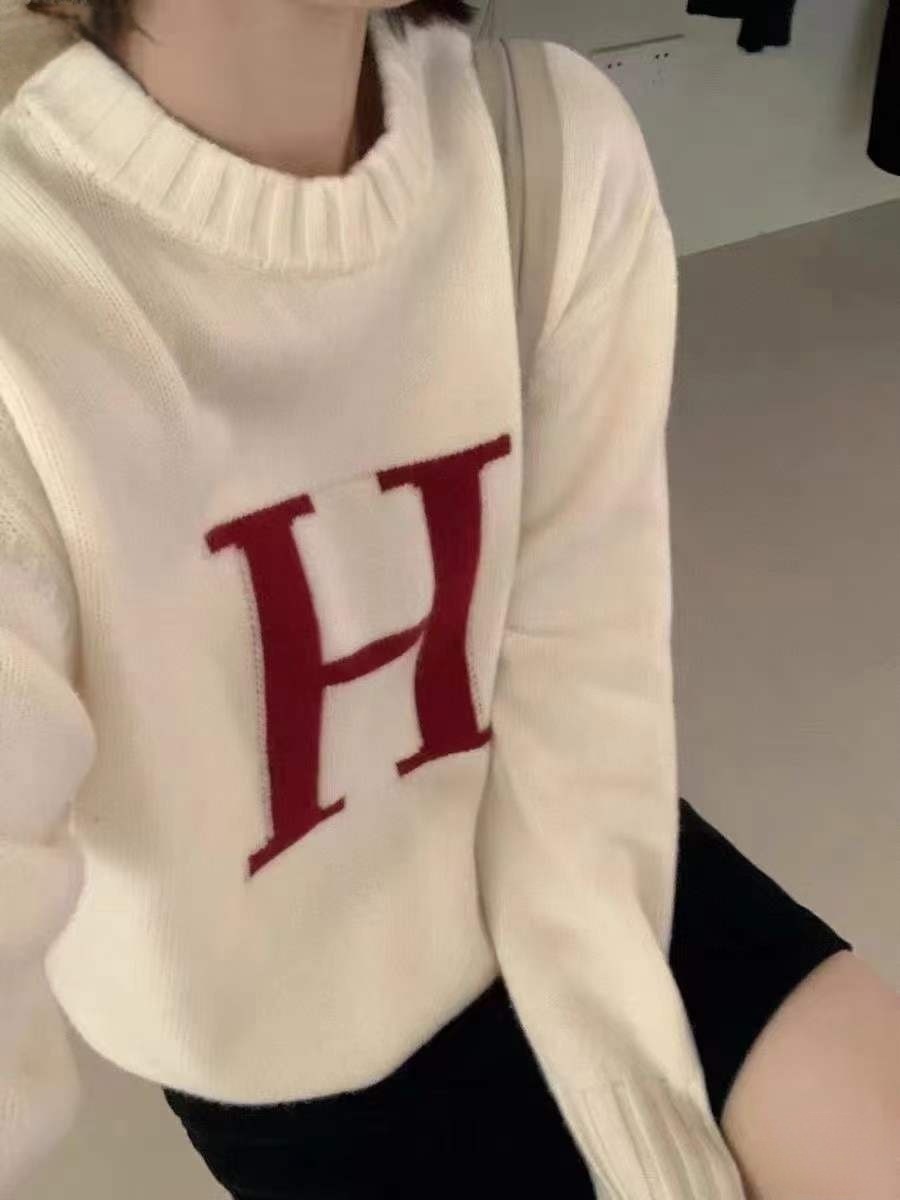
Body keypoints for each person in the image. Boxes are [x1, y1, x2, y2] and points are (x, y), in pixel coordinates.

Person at [0, 1, 896, 1197]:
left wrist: (640, 1128)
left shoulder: (548, 150)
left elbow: (588, 685)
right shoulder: (30, 300)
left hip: (591, 866)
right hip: (300, 1051)